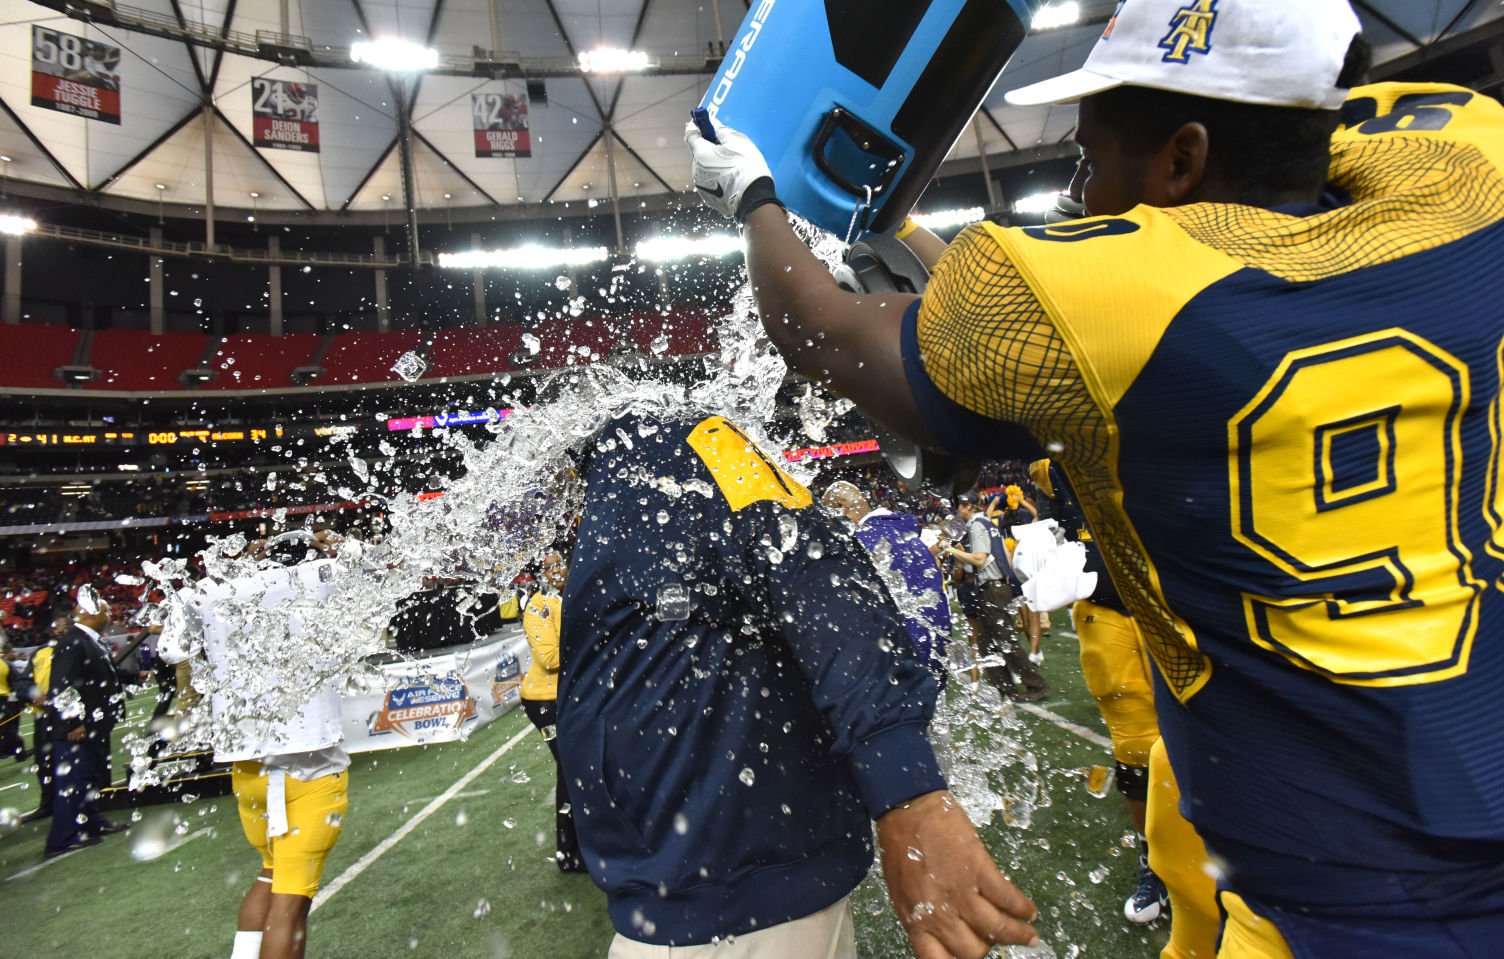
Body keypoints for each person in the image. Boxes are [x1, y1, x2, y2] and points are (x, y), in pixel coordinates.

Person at [689, 0, 1504, 951]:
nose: (1079, 183)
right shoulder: (1467, 180)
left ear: (1181, 161)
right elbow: (1325, 109)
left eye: (1091, 154)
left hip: (1345, 880)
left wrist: (751, 193)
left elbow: (823, 329)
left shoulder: (1142, 298)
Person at [558, 412, 1038, 959]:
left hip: (734, 899)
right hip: (692, 890)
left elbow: (818, 573)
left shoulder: (665, 442)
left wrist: (909, 796)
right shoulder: (624, 487)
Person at [161, 537, 350, 959]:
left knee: (269, 873)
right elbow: (383, 567)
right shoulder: (320, 576)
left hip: (247, 769)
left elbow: (171, 648)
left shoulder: (213, 592)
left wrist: (187, 691)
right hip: (309, 767)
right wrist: (339, 545)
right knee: (291, 904)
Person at [820, 480, 949, 676]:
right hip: (937, 645)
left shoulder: (860, 542)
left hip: (898, 655)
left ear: (843, 510)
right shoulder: (909, 535)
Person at [42, 585, 125, 858]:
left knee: (88, 777)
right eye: (106, 610)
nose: (110, 615)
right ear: (91, 613)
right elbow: (61, 685)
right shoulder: (73, 641)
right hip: (77, 728)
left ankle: (89, 821)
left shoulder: (87, 639)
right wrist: (71, 722)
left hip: (93, 724)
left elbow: (98, 677)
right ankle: (63, 838)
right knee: (73, 781)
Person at [945, 492, 1049, 701]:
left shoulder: (977, 525)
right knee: (985, 643)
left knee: (1005, 641)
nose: (958, 510)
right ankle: (1006, 690)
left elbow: (980, 559)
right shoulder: (989, 523)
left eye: (960, 506)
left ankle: (1037, 686)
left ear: (968, 506)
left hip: (992, 588)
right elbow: (1005, 556)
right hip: (994, 587)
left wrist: (951, 550)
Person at [519, 548, 583, 872]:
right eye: (549, 566)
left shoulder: (571, 595)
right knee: (572, 769)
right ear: (540, 574)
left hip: (566, 697)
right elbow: (549, 658)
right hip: (543, 702)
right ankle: (570, 851)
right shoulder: (538, 607)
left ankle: (573, 849)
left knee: (573, 770)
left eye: (560, 563)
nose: (557, 569)